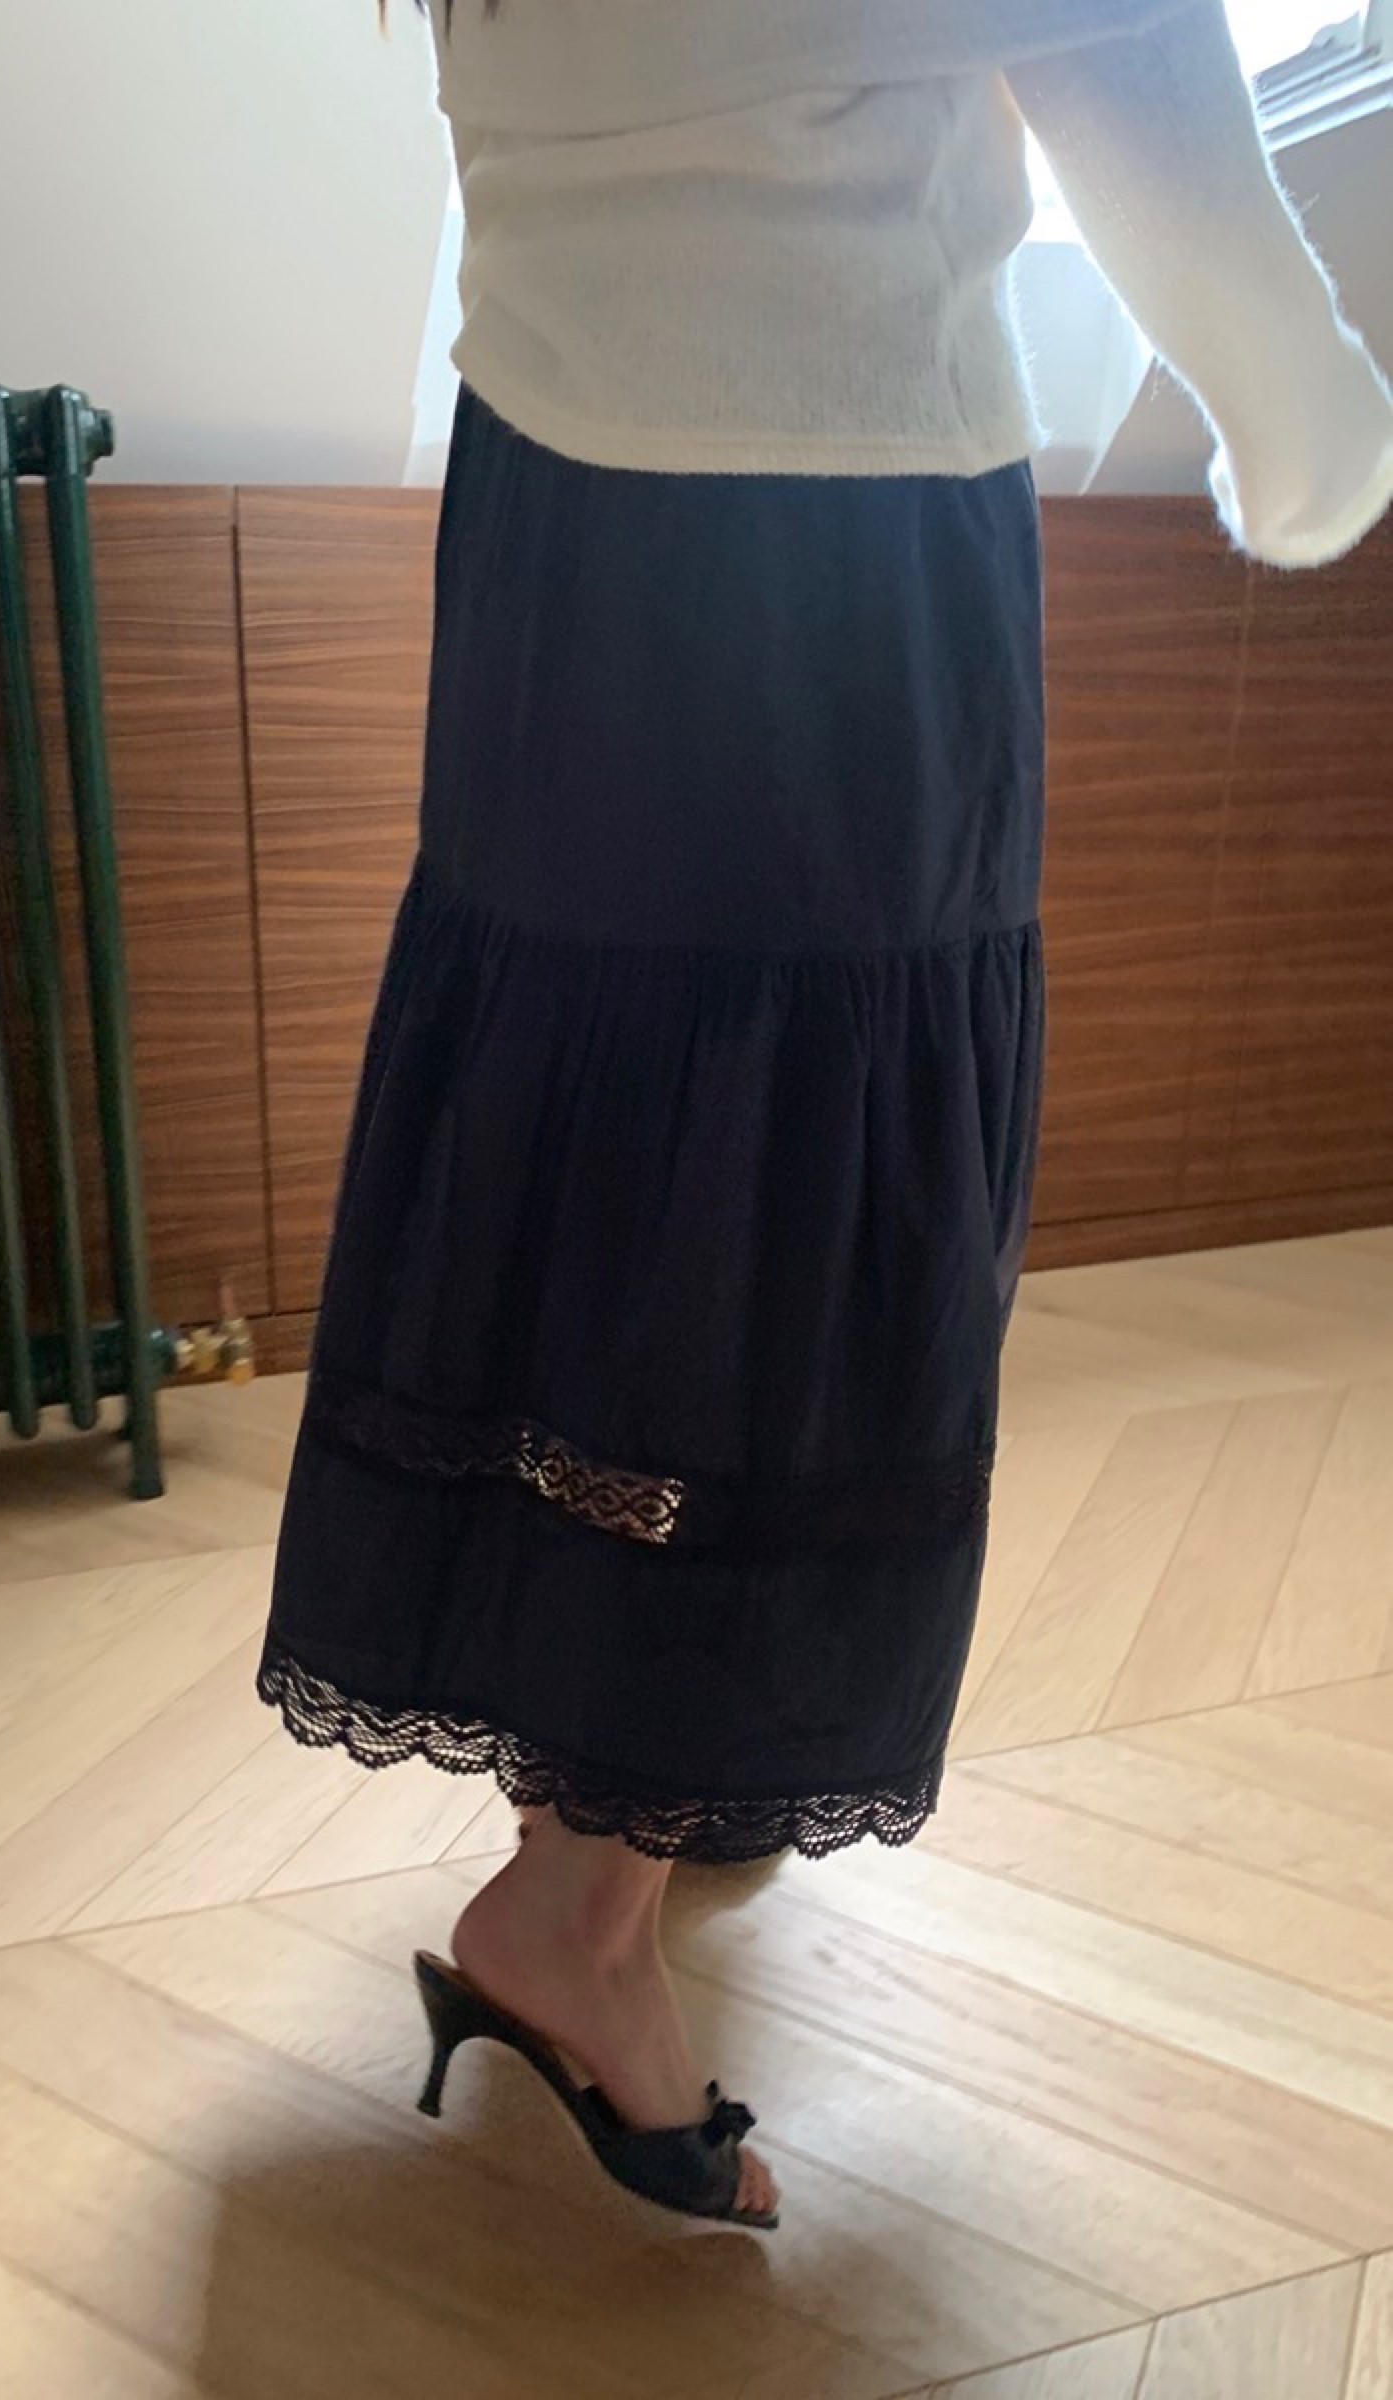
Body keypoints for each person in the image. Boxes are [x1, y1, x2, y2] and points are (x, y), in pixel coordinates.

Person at [260, 0, 1393, 2228]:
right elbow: (1143, 87)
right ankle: (578, 1917)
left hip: (550, 524)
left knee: (595, 1155)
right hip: (844, 535)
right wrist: (1315, 446)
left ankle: (586, 1829)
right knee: (787, 1205)